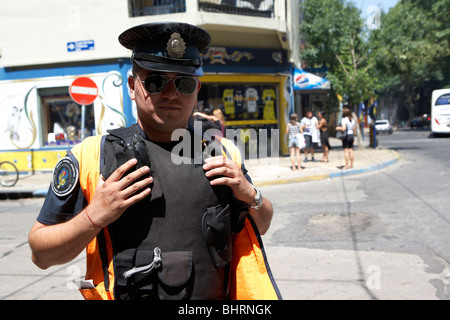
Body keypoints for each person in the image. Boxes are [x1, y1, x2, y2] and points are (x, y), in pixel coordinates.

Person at [28, 22, 281, 301]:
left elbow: (263, 224)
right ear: (132, 86)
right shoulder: (92, 156)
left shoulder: (222, 151)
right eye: (156, 81)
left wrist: (251, 195)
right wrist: (93, 216)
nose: (171, 94)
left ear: (197, 90)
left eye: (183, 83)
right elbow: (41, 254)